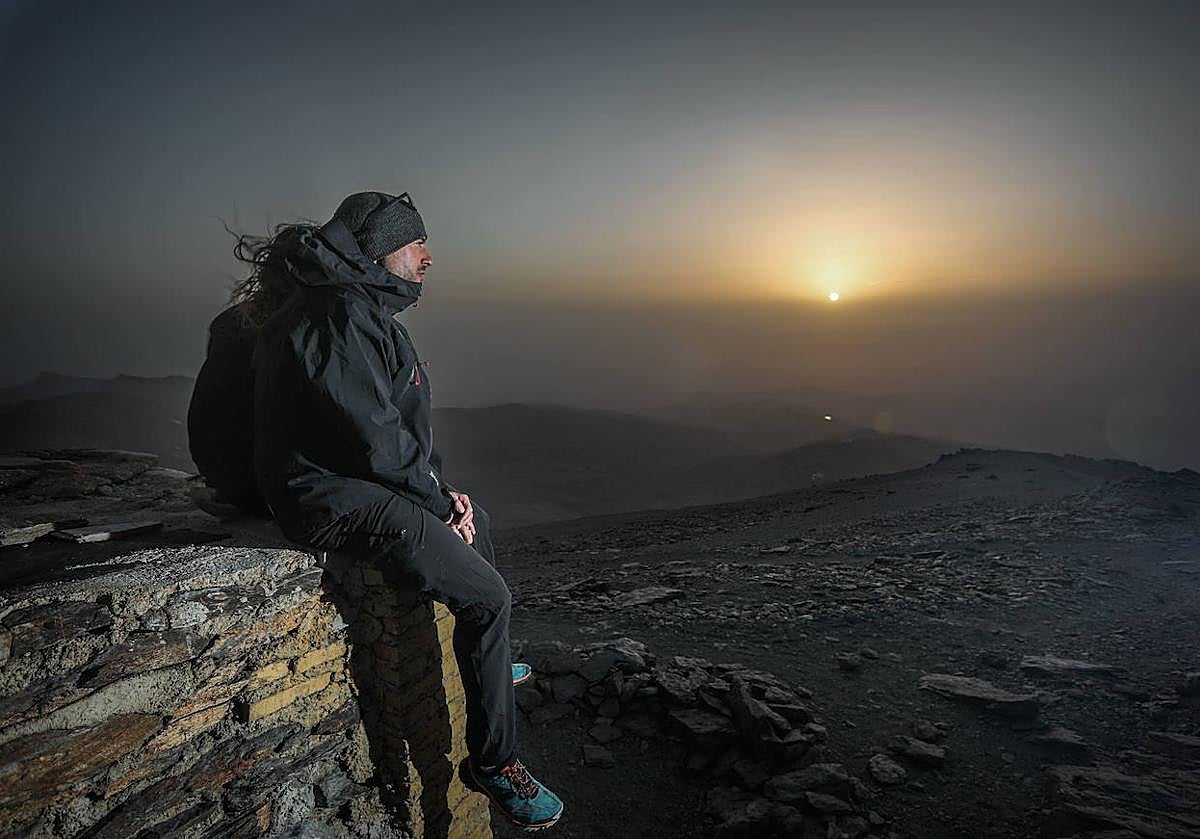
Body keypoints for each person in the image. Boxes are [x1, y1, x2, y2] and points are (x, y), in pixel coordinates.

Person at [246, 191, 564, 832]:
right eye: (416, 245)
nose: (428, 258)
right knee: (489, 600)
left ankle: (492, 667)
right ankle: (494, 763)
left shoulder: (355, 309)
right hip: (334, 497)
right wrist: (435, 500)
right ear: (381, 253)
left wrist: (446, 496)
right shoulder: (339, 315)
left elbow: (386, 432)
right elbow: (372, 436)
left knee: (481, 524)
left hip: (360, 485)